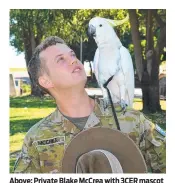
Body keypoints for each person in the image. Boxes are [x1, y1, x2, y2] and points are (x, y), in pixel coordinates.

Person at [13, 36, 166, 173]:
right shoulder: (36, 139)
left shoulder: (131, 120)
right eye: (61, 59)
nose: (74, 60)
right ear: (46, 81)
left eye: (72, 54)